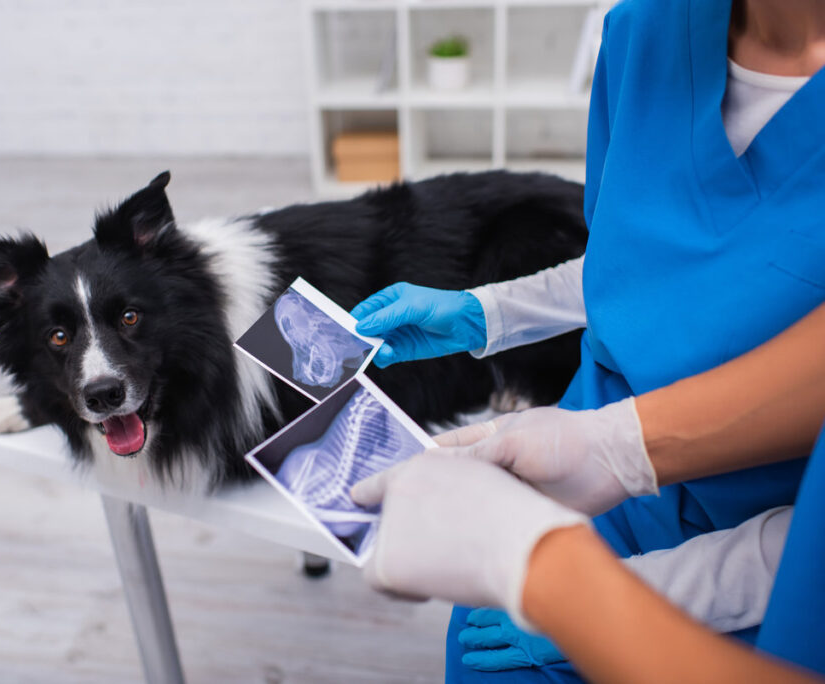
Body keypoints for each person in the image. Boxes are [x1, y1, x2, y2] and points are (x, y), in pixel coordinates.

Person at [349, 0, 825, 679]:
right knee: (483, 648)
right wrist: (485, 314)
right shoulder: (644, 33)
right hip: (597, 447)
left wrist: (604, 595)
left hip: (778, 547)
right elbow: (638, 259)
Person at [350, 303, 825, 681]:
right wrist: (614, 444)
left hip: (774, 547)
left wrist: (571, 590)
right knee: (481, 637)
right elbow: (624, 267)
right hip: (612, 418)